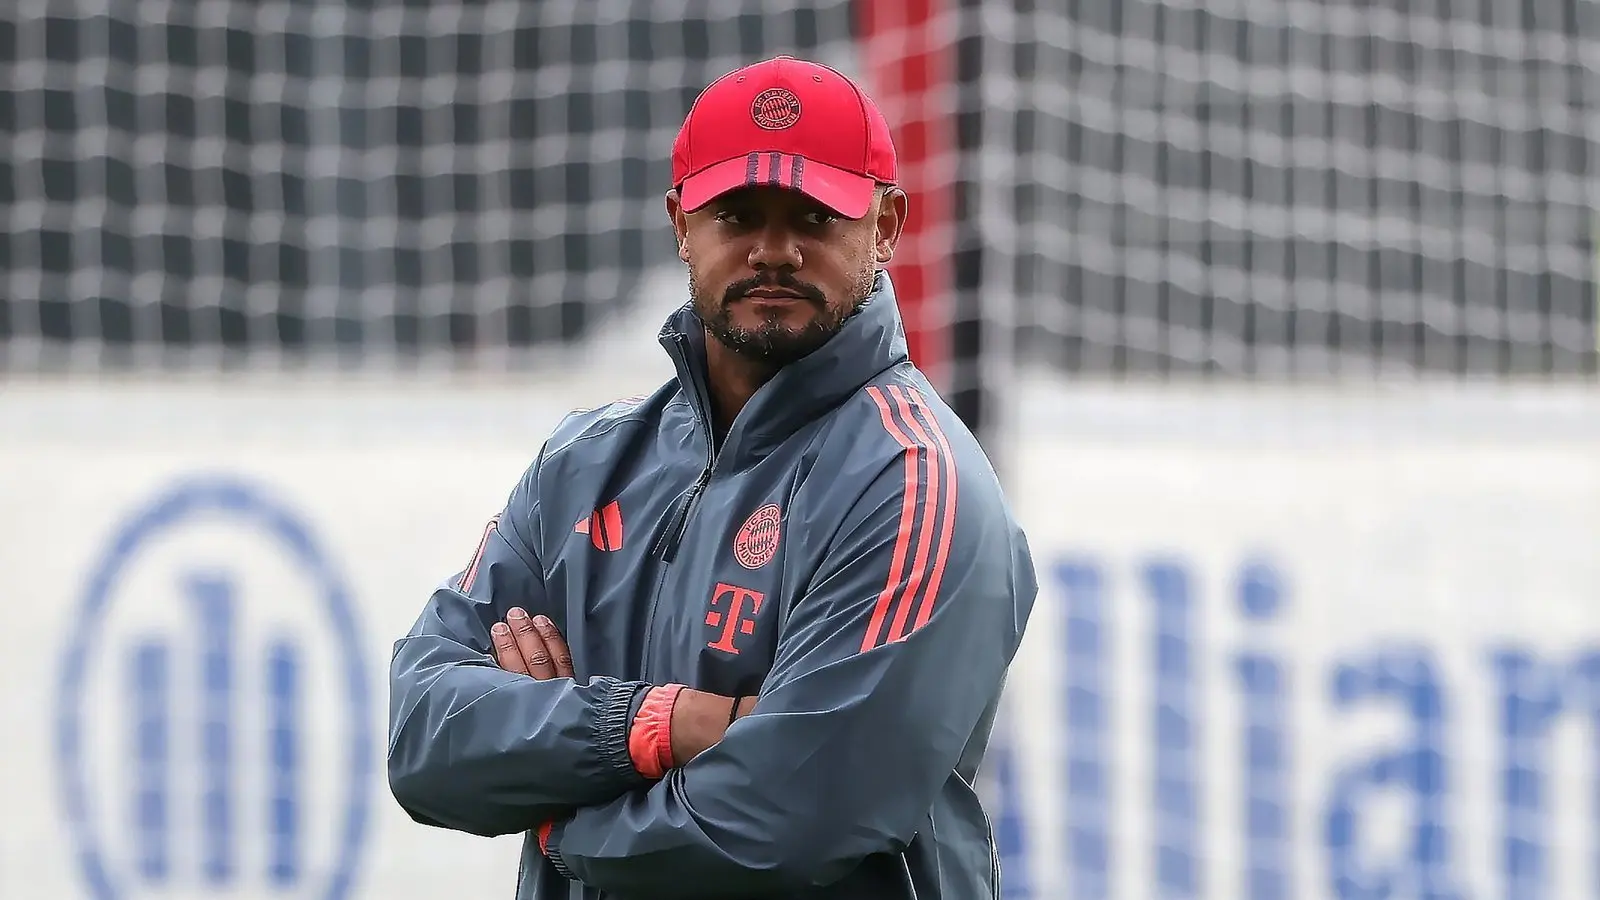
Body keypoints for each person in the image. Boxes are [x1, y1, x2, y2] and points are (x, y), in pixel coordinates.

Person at [386, 55, 1038, 900]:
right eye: (737, 214)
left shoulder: (913, 483)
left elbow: (790, 816)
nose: (775, 250)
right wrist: (657, 725)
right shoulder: (582, 465)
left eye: (814, 215)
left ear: (885, 226)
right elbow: (422, 736)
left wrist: (551, 808)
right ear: (680, 224)